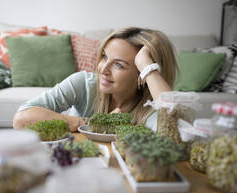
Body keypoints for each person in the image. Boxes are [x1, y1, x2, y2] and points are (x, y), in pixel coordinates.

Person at [13, 27, 178, 132]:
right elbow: (21, 119)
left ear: (141, 75)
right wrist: (91, 123)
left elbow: (174, 135)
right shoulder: (84, 84)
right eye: (104, 57)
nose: (103, 70)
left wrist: (148, 68)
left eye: (119, 65)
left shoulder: (149, 107)